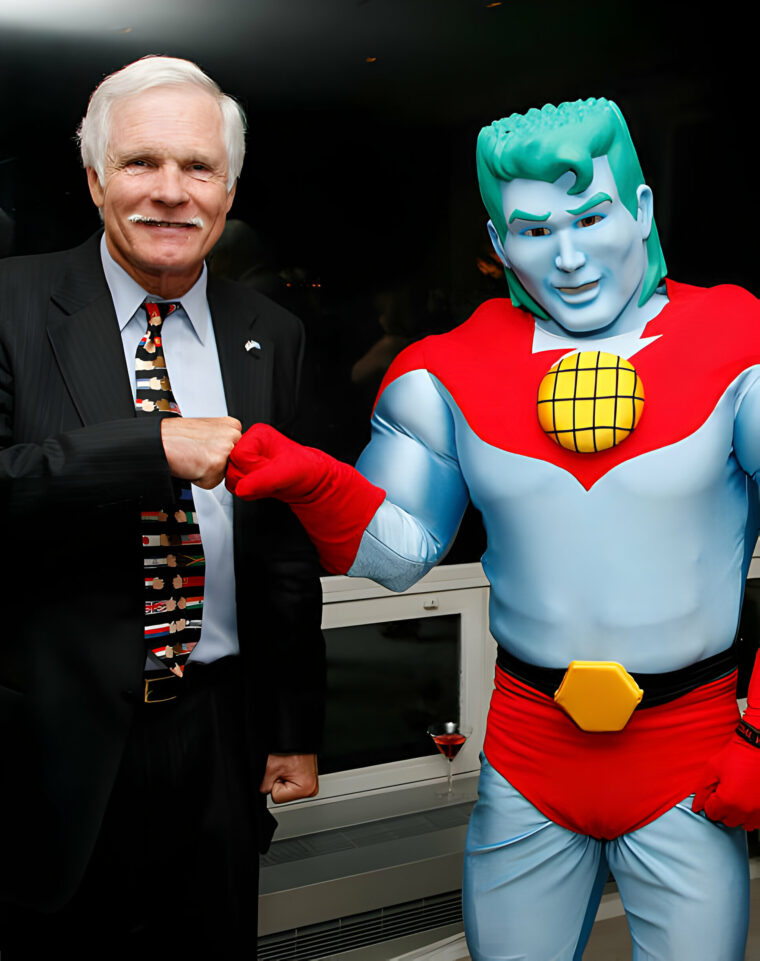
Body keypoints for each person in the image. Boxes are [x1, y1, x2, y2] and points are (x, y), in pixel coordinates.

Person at [226, 98, 760, 960]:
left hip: (691, 746)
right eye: (536, 230)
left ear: (645, 210)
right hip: (528, 750)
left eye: (592, 217)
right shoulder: (446, 369)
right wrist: (317, 483)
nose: (572, 255)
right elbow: (396, 557)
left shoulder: (740, 342)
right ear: (497, 240)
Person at [0, 55, 325, 959]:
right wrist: (148, 447)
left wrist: (293, 726)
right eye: (142, 163)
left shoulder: (273, 332)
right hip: (52, 741)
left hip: (218, 733)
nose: (171, 192)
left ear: (230, 187)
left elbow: (283, 552)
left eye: (199, 168)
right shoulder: (11, 302)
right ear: (96, 176)